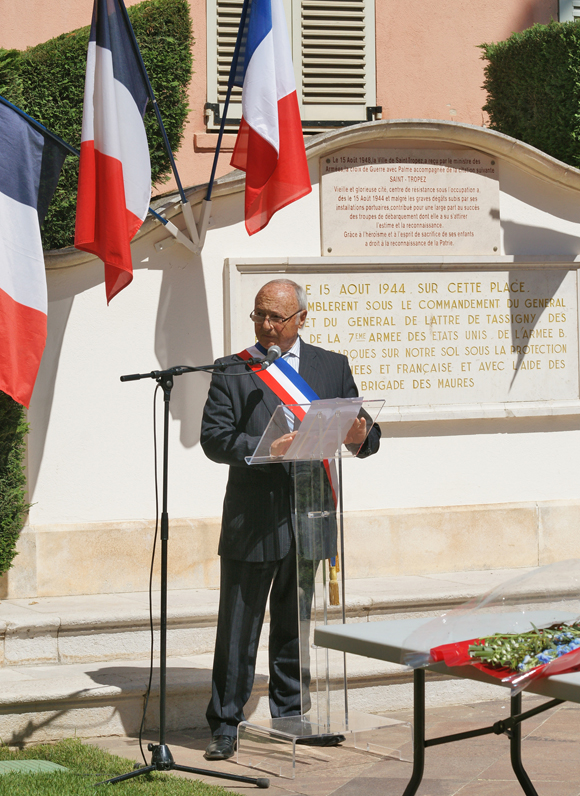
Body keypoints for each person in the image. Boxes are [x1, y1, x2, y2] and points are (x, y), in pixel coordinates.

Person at [200, 278, 381, 760]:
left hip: (310, 513)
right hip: (252, 518)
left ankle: (291, 712)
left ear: (302, 318)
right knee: (238, 625)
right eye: (259, 315)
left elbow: (362, 431)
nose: (266, 326)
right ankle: (225, 722)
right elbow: (215, 438)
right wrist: (261, 449)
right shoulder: (234, 370)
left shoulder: (331, 365)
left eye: (276, 317)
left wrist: (362, 433)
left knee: (294, 623)